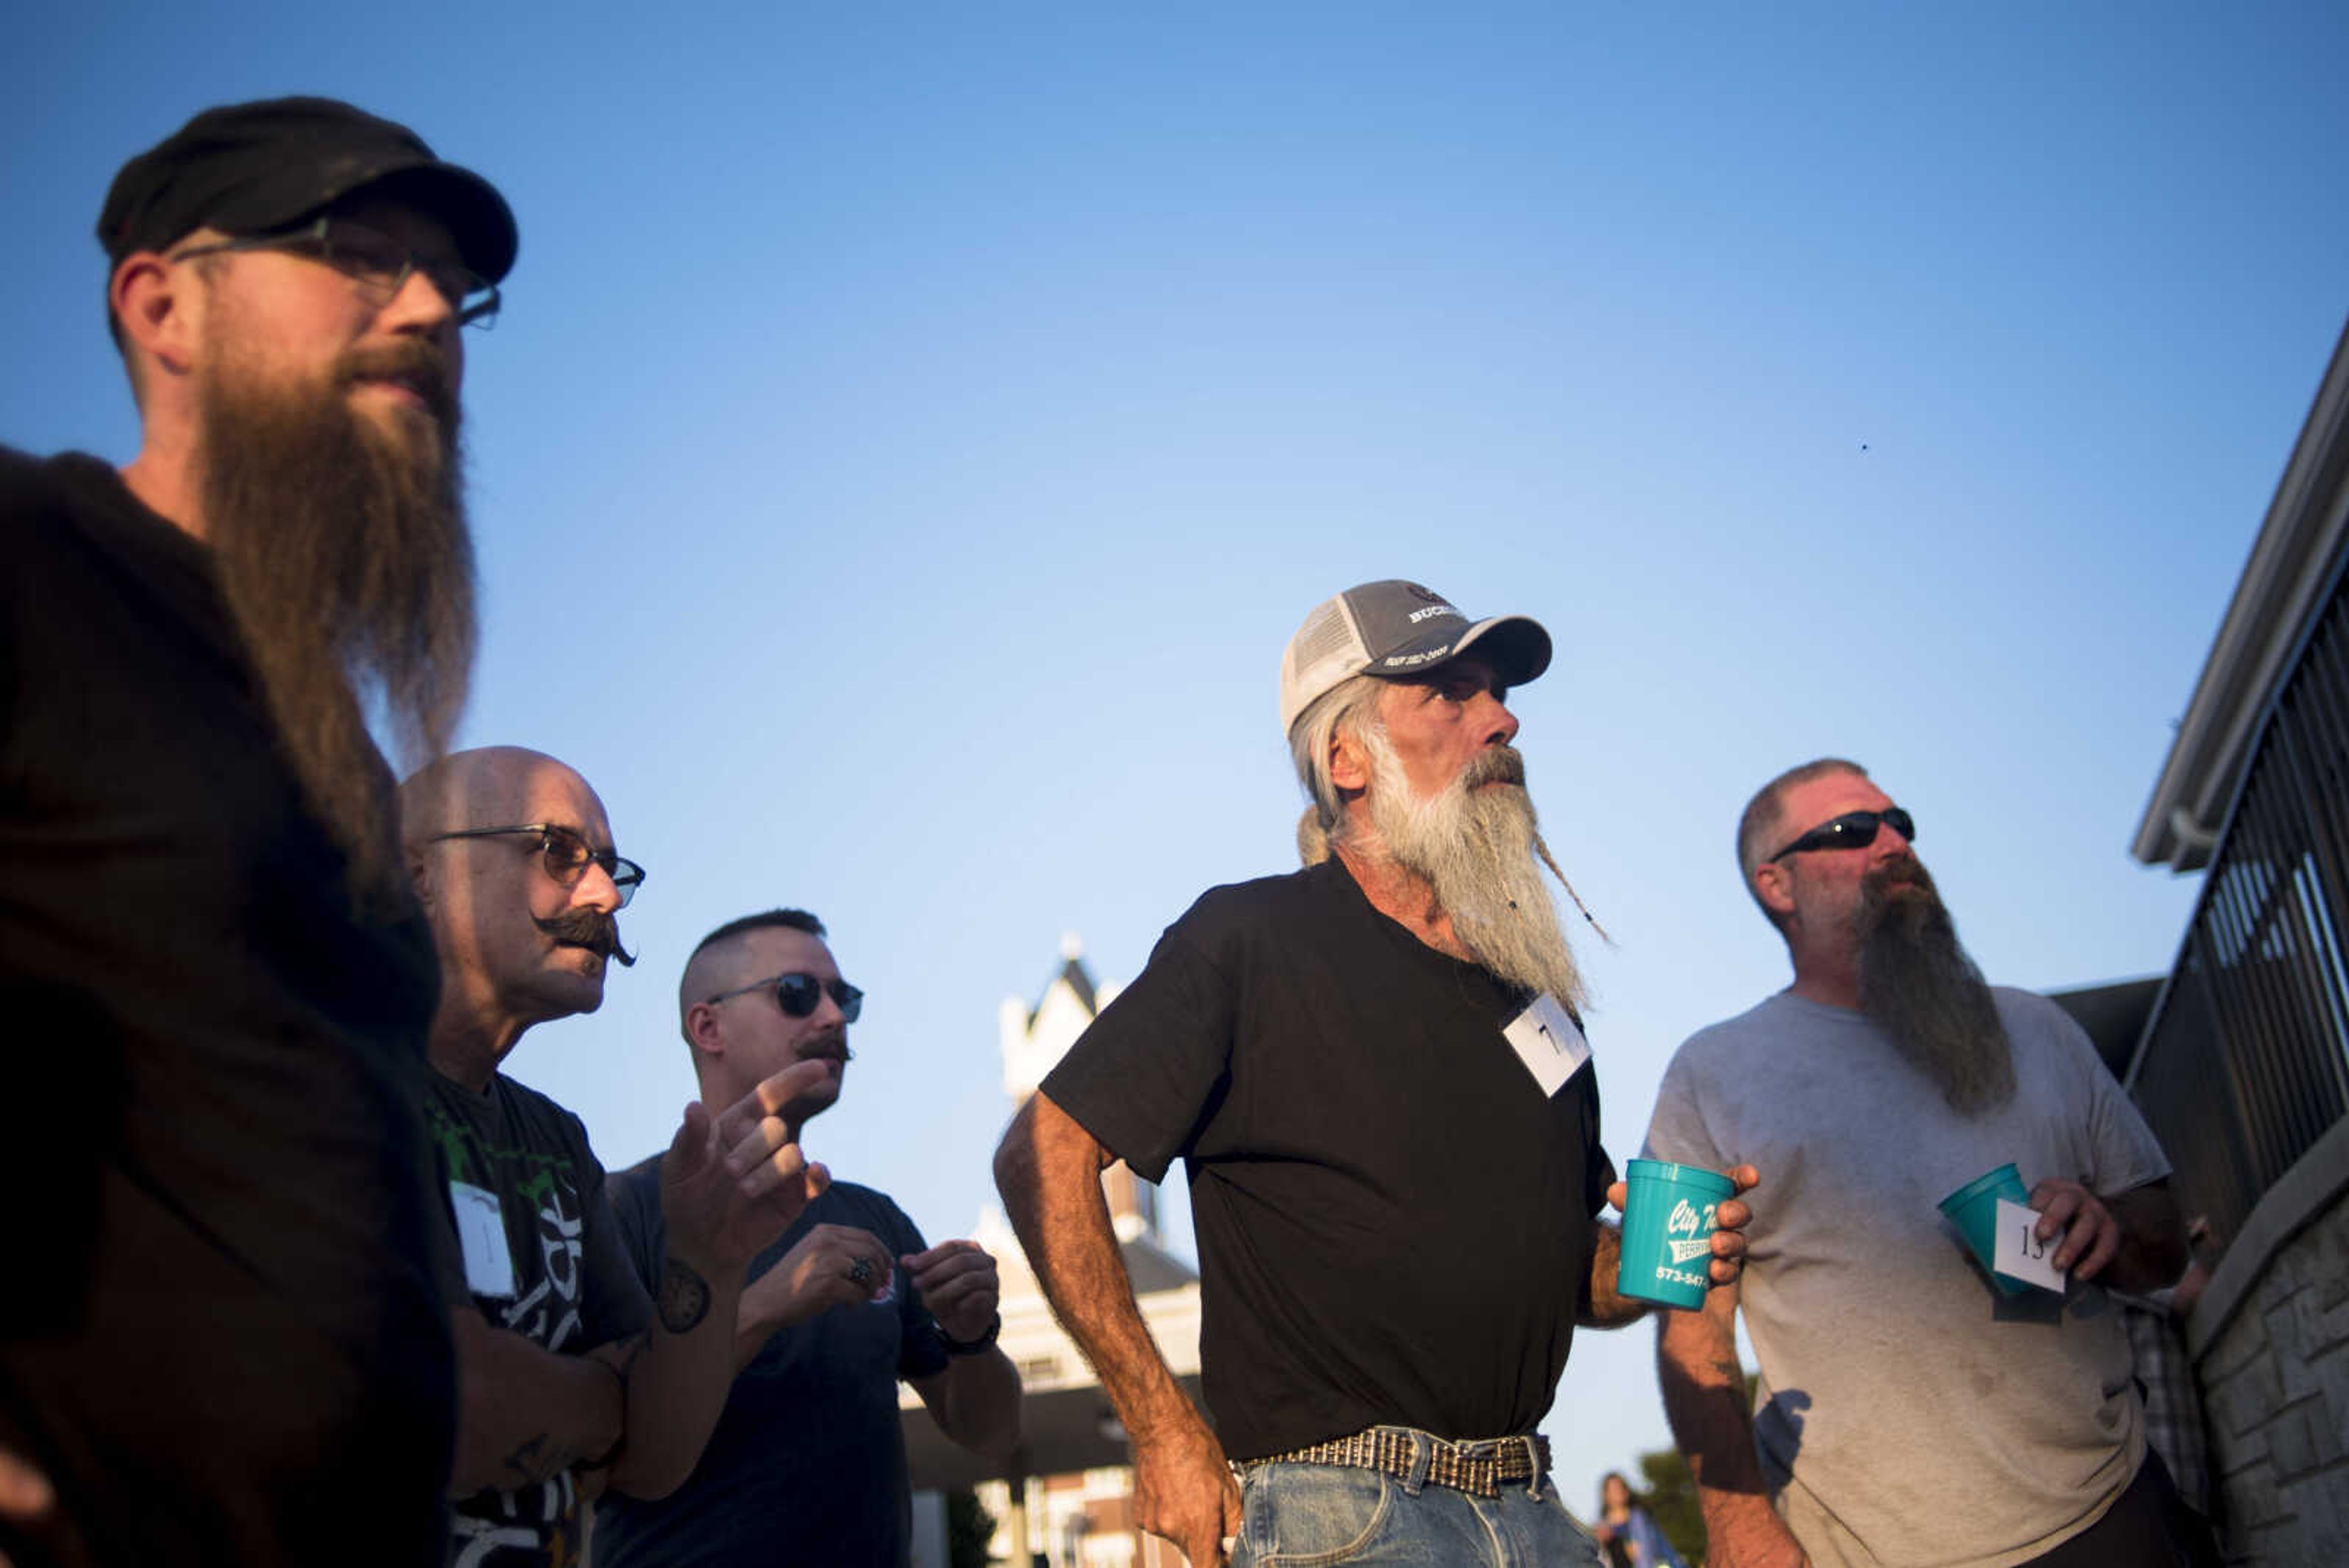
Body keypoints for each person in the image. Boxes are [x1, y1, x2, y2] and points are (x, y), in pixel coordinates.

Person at [0, 95, 517, 1568]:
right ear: (165, 304)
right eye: (358, 252)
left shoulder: (330, 742)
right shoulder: (32, 559)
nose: (426, 308)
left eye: (452, 284)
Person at [993, 579, 1756, 1568]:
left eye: (1498, 692)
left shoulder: (1538, 1001)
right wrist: (1162, 1425)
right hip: (1343, 1510)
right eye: (1453, 692)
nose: (1503, 718)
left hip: (1533, 1509)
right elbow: (1041, 1152)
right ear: (1346, 756)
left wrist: (1668, 1254)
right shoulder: (1252, 937)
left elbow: (1578, 1280)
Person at [1644, 757, 2219, 1567]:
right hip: (1873, 1549)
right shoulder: (1704, 1074)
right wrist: (1738, 1522)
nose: (1893, 843)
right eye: (1852, 831)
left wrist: (2109, 1226)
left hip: (2112, 1513)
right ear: (1778, 884)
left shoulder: (2038, 1027)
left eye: (1900, 822)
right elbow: (1684, 1319)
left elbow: (2165, 1245)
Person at [401, 748, 830, 1568]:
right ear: (420, 873)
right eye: (558, 851)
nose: (603, 894)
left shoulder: (555, 1139)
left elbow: (655, 1456)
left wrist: (708, 1259)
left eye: (607, 866)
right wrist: (606, 1395)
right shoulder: (324, 1084)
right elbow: (453, 1405)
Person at [594, 909, 1023, 1567]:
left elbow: (988, 1432)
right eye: (797, 993)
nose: (832, 1017)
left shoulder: (872, 1216)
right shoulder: (624, 1208)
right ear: (708, 1027)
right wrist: (770, 1302)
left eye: (843, 997)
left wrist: (972, 1334)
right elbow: (606, 1436)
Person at [1594, 1471, 1688, 1568]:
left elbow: (1667, 1552)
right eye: (1613, 1489)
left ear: (1627, 1491)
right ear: (1605, 1495)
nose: (1619, 1492)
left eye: (1621, 1487)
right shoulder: (1602, 1533)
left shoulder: (1643, 1521)